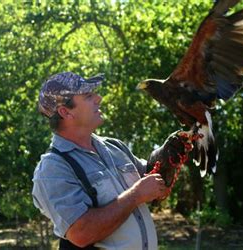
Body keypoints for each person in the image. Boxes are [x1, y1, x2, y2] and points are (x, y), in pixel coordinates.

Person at [32, 72, 179, 249]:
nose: (98, 98)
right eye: (88, 96)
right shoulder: (53, 168)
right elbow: (81, 233)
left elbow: (154, 183)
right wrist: (136, 195)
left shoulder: (114, 147)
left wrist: (173, 151)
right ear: (65, 112)